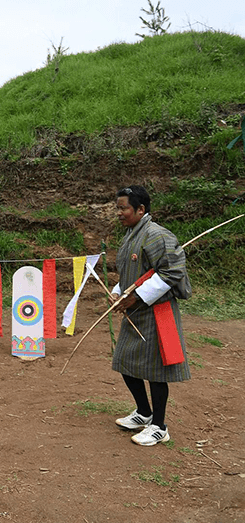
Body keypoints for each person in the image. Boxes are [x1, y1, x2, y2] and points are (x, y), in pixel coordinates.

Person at [111, 185, 191, 446]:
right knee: (125, 360)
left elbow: (172, 272)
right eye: (118, 208)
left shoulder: (157, 235)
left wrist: (136, 297)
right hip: (136, 310)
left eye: (123, 208)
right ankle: (144, 412)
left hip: (158, 311)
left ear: (141, 209)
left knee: (156, 371)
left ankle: (159, 426)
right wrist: (118, 293)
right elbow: (130, 273)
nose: (119, 213)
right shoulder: (132, 234)